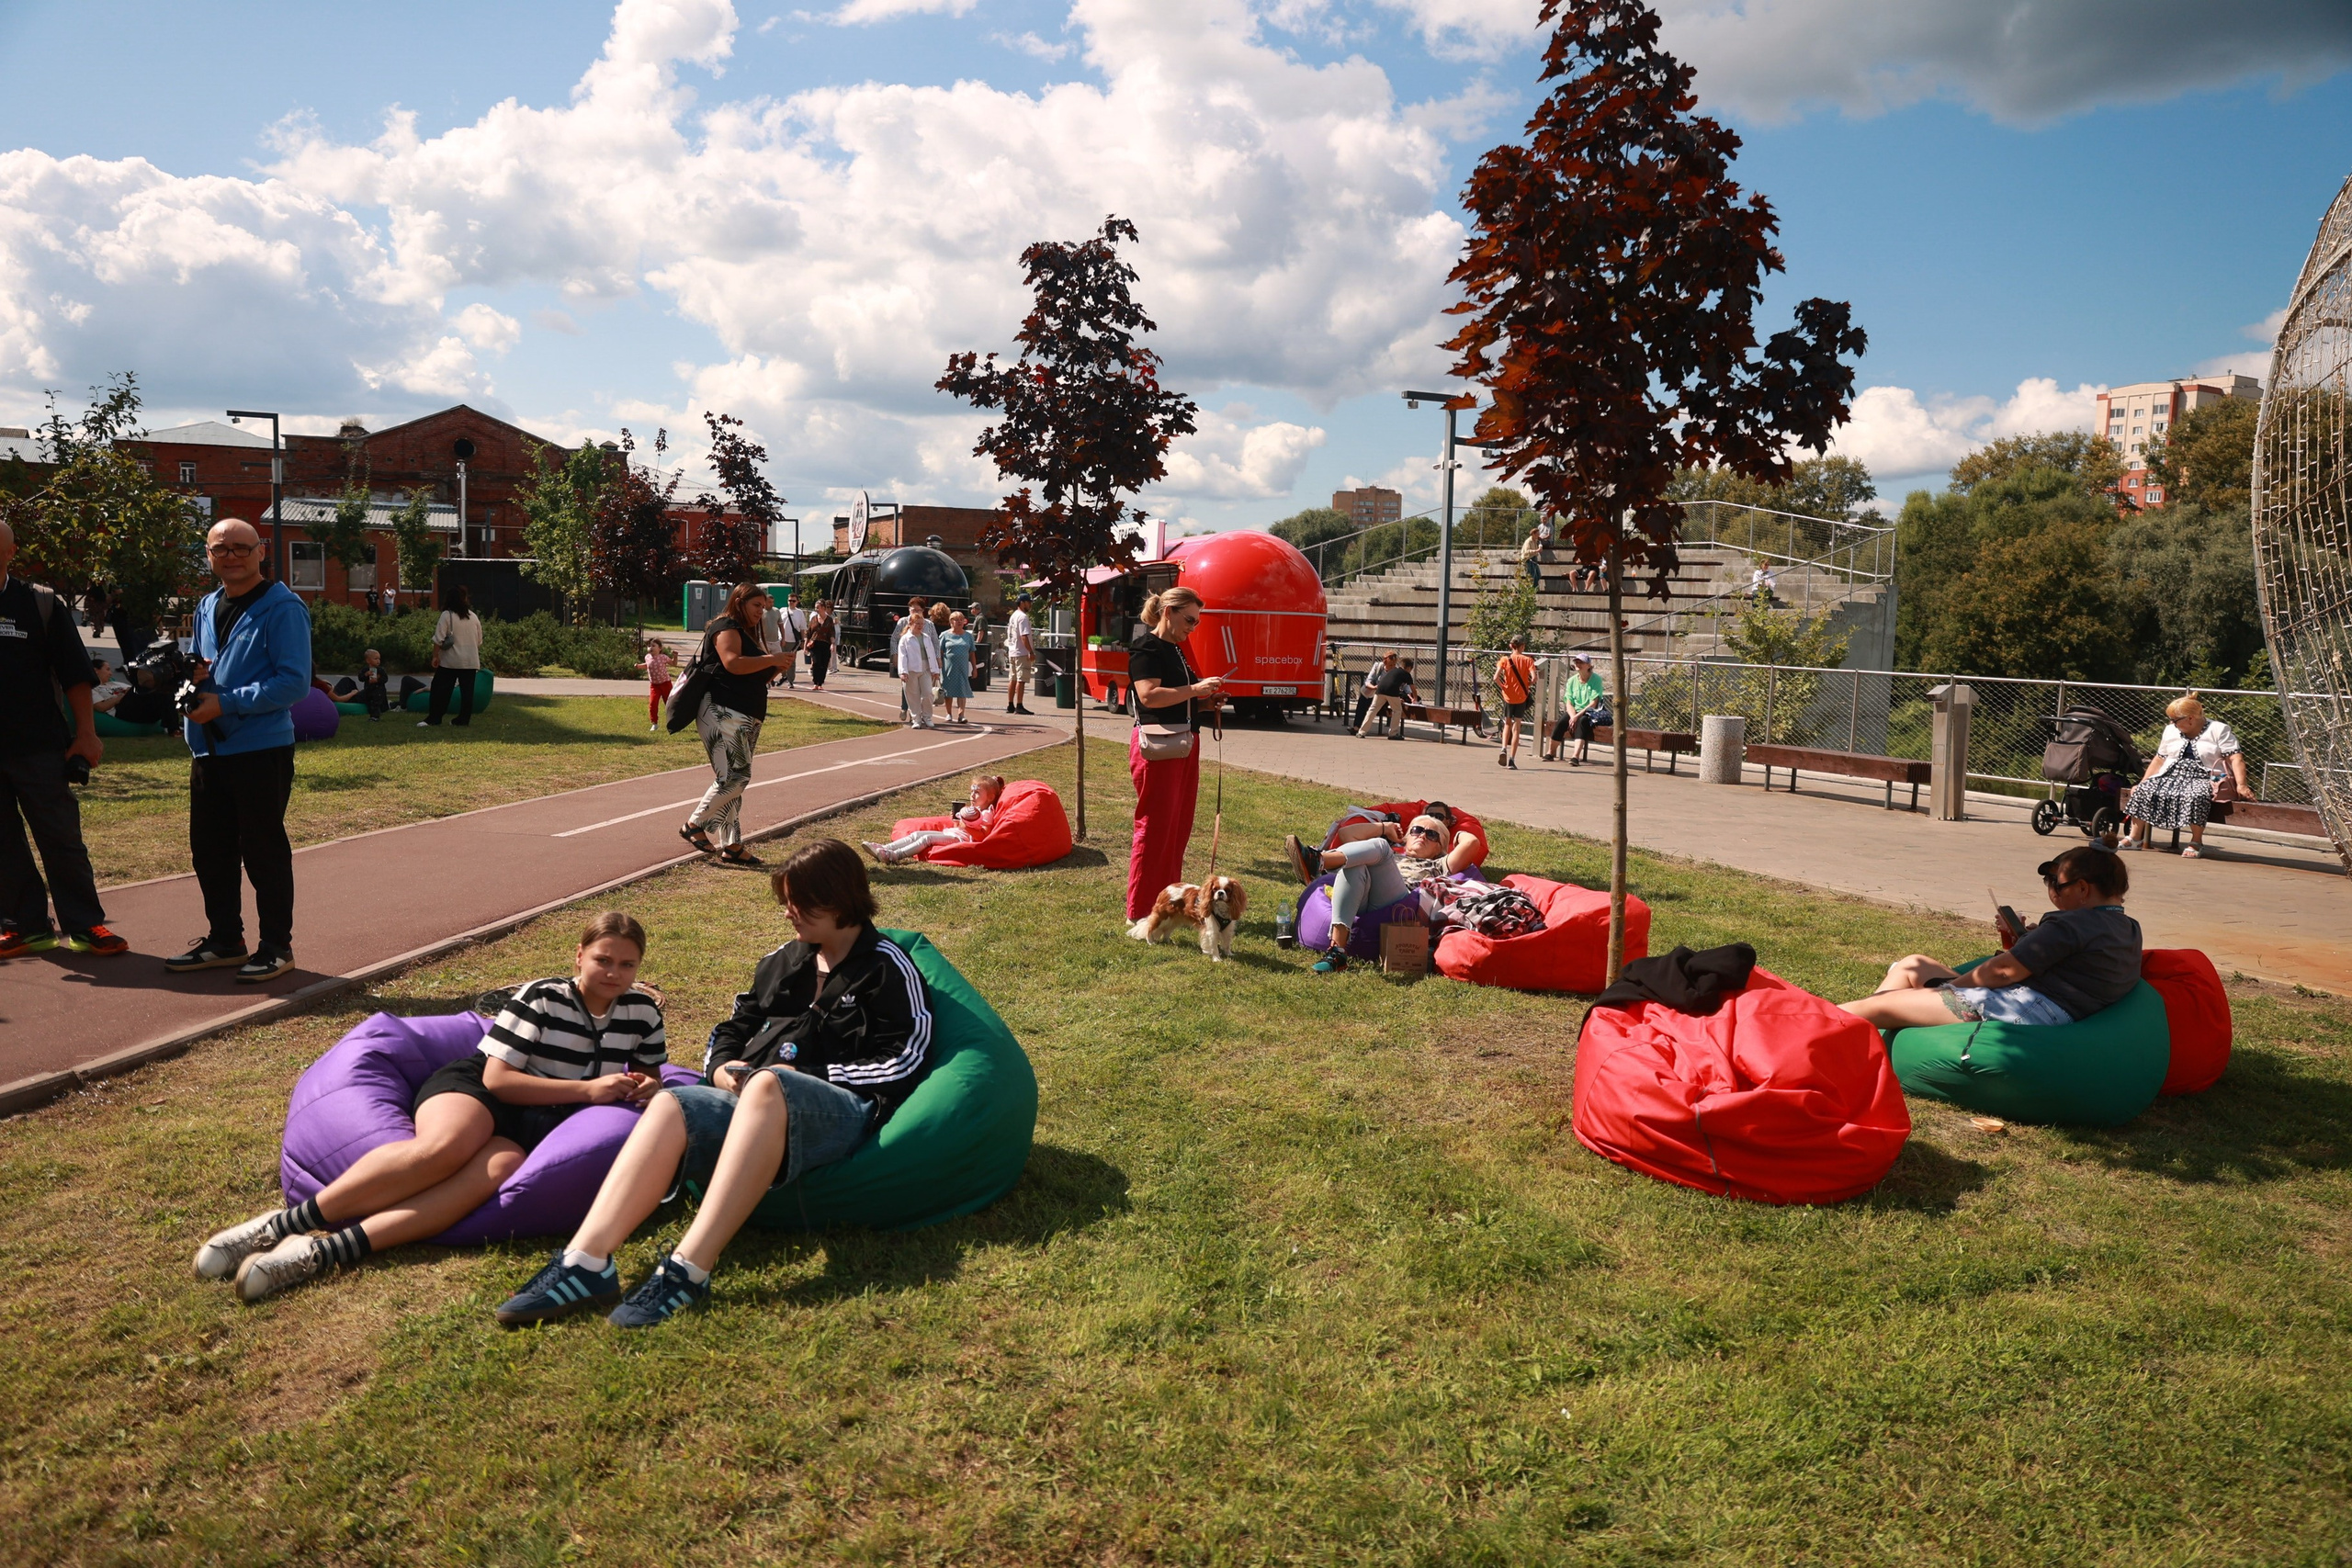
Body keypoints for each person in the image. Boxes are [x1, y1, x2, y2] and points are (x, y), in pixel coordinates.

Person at [492, 841, 933, 1328]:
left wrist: (805, 1076)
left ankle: (688, 1270)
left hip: (841, 1111)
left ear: (840, 897)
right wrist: (721, 1068)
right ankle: (586, 1262)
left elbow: (906, 1056)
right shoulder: (786, 960)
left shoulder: (886, 966)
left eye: (800, 903)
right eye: (785, 901)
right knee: (672, 1102)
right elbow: (731, 1028)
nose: (789, 914)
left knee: (767, 1084)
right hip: (753, 1101)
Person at [198, 911, 667, 1303]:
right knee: (446, 1147)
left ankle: (322, 1254)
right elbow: (498, 1080)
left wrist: (644, 1086)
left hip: (538, 1120)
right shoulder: (543, 997)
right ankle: (274, 1228)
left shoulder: (642, 1013)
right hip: (481, 1090)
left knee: (499, 1169)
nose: (613, 973)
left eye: (627, 965)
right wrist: (587, 1091)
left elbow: (654, 1076)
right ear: (579, 956)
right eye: (602, 959)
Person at [164, 518, 311, 982]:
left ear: (261, 551)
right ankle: (226, 939)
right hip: (208, 750)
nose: (231, 556)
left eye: (241, 548)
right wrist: (189, 687)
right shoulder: (207, 605)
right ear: (208, 554)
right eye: (220, 548)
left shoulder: (283, 608)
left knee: (262, 849)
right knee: (210, 850)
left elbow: (293, 683)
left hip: (259, 749)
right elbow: (206, 665)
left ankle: (276, 947)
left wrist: (224, 703)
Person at [1839, 846, 2142, 1031]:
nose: (2055, 894)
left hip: (2027, 1010)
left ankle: (1811, 1029)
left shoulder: (2072, 922)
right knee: (1913, 964)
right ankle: (1861, 1035)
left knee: (1880, 1005)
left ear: (2083, 889)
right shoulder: (2128, 928)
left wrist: (1949, 989)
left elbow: (2003, 971)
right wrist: (2025, 941)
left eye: (2059, 887)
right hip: (2046, 1008)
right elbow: (2069, 964)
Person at [0, 519, 126, 960]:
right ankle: (25, 926)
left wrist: (86, 734)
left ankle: (85, 924)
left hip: (39, 746)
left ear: (11, 554)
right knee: (2, 842)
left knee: (60, 837)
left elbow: (75, 675)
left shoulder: (38, 604)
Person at [1280, 804, 1482, 975]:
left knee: (1380, 848)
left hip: (1400, 903)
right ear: (1406, 837)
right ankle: (1337, 952)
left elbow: (1472, 843)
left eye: (1431, 835)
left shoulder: (1439, 864)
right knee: (1356, 864)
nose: (1422, 836)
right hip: (1365, 896)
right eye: (1417, 830)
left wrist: (1460, 833)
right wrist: (1385, 828)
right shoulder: (1392, 852)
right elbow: (1346, 833)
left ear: (1440, 848)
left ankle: (1319, 861)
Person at [1125, 585, 1224, 923]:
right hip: (1159, 748)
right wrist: (1195, 690)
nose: (1192, 628)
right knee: (1154, 829)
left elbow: (1179, 696)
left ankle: (1166, 905)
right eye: (1189, 620)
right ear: (1168, 611)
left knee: (1176, 829)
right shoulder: (1147, 646)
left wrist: (1207, 701)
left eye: (1196, 623)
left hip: (1183, 744)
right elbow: (1149, 696)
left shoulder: (1177, 649)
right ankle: (1139, 911)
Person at [680, 581, 789, 869]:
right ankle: (695, 823)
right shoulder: (726, 626)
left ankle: (732, 846)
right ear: (739, 601)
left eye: (764, 608)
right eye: (756, 606)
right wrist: (772, 658)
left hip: (743, 713)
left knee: (731, 780)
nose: (760, 613)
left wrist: (775, 667)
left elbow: (751, 677)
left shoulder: (746, 633)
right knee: (737, 777)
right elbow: (732, 663)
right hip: (722, 711)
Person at [2122, 692, 2248, 859]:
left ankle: (2196, 841)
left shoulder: (2219, 729)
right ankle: (2134, 838)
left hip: (2207, 776)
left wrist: (2241, 784)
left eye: (2175, 720)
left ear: (2190, 718)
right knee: (2143, 789)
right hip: (2171, 773)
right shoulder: (2170, 731)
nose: (2171, 724)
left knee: (2196, 794)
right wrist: (2143, 781)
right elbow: (2159, 759)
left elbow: (2235, 758)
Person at [865, 773, 1003, 863]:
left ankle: (894, 856)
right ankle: (884, 848)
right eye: (972, 791)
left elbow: (983, 836)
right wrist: (956, 821)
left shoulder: (987, 813)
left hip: (959, 840)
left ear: (990, 797)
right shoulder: (972, 809)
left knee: (927, 839)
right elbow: (959, 827)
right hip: (951, 833)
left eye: (977, 792)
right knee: (917, 834)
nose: (972, 795)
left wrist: (964, 826)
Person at [421, 583, 482, 728]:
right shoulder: (473, 617)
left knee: (439, 690)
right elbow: (479, 641)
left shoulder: (447, 615)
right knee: (467, 693)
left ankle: (434, 718)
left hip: (450, 661)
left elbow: (438, 638)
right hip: (471, 661)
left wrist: (435, 656)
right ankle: (463, 719)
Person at [1544, 652, 1611, 764]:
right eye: (1576, 662)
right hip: (1573, 711)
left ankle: (1575, 756)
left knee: (1582, 722)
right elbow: (1569, 702)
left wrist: (1576, 717)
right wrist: (1572, 716)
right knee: (1561, 722)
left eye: (1581, 662)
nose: (1578, 664)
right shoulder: (1571, 681)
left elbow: (1593, 704)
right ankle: (1550, 753)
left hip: (1589, 712)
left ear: (1589, 665)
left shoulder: (1596, 680)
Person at [1493, 635, 1537, 770]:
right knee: (1517, 727)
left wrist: (1504, 686)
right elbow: (1534, 678)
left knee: (1507, 723)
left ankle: (1503, 748)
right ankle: (1512, 759)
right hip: (1521, 697)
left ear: (1512, 646)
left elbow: (1496, 678)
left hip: (1508, 696)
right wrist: (1528, 683)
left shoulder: (1505, 659)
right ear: (1522, 646)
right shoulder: (1528, 660)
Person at [898, 605, 942, 728]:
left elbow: (932, 654)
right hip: (911, 670)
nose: (920, 626)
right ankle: (916, 719)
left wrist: (935, 670)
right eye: (917, 623)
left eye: (922, 623)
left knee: (928, 694)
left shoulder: (926, 638)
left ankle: (927, 717)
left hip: (925, 669)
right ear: (910, 623)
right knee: (913, 696)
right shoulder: (905, 639)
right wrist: (903, 672)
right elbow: (902, 656)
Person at [1357, 656, 1417, 739]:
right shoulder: (1406, 674)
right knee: (1397, 711)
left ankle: (1361, 732)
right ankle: (1393, 733)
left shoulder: (1393, 670)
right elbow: (1413, 689)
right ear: (1409, 667)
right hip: (1391, 691)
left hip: (1380, 689)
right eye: (1411, 669)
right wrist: (1415, 699)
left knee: (1372, 710)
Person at [939, 611, 978, 725]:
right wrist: (937, 666)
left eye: (961, 619)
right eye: (957, 619)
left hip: (962, 667)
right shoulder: (945, 635)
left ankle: (961, 715)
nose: (960, 621)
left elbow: (972, 653)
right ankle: (949, 713)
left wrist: (975, 668)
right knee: (948, 690)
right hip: (948, 667)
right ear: (951, 622)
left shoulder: (968, 636)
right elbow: (940, 652)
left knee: (962, 690)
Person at [1004, 593, 1037, 716]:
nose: (1030, 604)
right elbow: (1024, 636)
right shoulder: (1023, 617)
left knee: (1012, 679)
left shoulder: (1013, 616)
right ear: (1022, 602)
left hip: (1012, 650)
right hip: (1021, 652)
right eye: (1029, 602)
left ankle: (1010, 705)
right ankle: (1019, 705)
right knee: (1021, 679)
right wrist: (1030, 651)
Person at [1350, 651, 1395, 732]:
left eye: (1394, 665)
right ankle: (1357, 726)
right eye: (1390, 665)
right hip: (1374, 692)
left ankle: (1360, 728)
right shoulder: (1378, 666)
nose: (1393, 667)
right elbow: (1368, 681)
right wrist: (1374, 687)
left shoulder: (1395, 671)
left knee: (1368, 703)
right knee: (1363, 699)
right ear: (1385, 662)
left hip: (1385, 695)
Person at [640, 639, 677, 732]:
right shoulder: (647, 657)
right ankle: (654, 723)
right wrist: (639, 666)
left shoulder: (663, 657)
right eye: (649, 646)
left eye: (653, 646)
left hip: (665, 684)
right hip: (654, 685)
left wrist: (675, 657)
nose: (650, 648)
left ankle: (674, 722)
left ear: (660, 648)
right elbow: (648, 665)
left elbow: (674, 664)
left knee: (669, 704)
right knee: (653, 704)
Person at [804, 599, 835, 691]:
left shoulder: (829, 620)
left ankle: (820, 683)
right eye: (815, 608)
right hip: (815, 644)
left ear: (823, 608)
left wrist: (833, 644)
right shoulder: (813, 619)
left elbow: (832, 634)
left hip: (826, 644)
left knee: (824, 664)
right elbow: (808, 633)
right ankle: (815, 682)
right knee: (816, 663)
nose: (816, 609)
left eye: (818, 607)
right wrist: (805, 645)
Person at [358, 648, 390, 722]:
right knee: (370, 703)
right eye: (375, 658)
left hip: (379, 691)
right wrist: (366, 675)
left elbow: (385, 679)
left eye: (379, 659)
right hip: (369, 690)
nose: (378, 660)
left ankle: (375, 717)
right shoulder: (365, 670)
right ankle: (373, 714)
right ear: (368, 660)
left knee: (376, 703)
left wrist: (378, 680)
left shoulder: (380, 670)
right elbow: (360, 678)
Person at [1519, 519, 1549, 593]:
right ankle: (1531, 589)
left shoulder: (1536, 540)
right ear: (1533, 534)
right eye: (1537, 534)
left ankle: (1534, 588)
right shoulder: (1528, 541)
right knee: (1531, 575)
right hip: (1528, 559)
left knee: (1538, 575)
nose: (1538, 536)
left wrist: (1540, 547)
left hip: (1534, 558)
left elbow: (1539, 546)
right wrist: (1536, 551)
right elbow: (1526, 551)